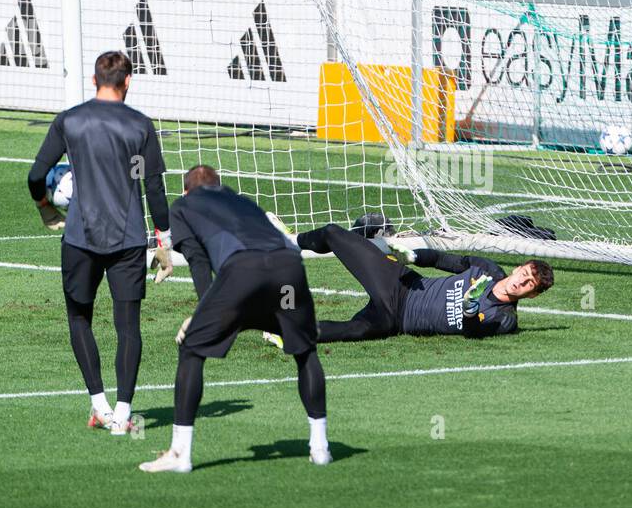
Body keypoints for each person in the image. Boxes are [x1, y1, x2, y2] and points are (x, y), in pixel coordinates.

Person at [138, 165, 329, 473]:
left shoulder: (183, 206)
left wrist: (200, 314)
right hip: (288, 268)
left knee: (191, 348)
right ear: (219, 185)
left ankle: (179, 454)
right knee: (305, 350)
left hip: (244, 271)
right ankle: (320, 448)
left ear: (186, 191)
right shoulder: (241, 200)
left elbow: (198, 262)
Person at [27, 50, 174, 435]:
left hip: (80, 239)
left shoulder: (70, 121)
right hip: (127, 240)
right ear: (128, 83)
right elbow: (153, 185)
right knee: (129, 327)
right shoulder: (140, 125)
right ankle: (124, 415)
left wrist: (46, 208)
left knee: (80, 318)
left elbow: (35, 174)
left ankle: (99, 404)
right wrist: (164, 240)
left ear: (94, 81)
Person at [266, 220, 553, 343]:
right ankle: (290, 243)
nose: (521, 282)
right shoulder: (487, 268)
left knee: (352, 331)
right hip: (401, 283)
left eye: (529, 285)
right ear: (518, 268)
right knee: (332, 233)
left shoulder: (506, 320)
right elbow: (444, 261)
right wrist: (413, 256)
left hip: (395, 319)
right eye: (524, 275)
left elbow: (474, 332)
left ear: (532, 296)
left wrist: (470, 306)